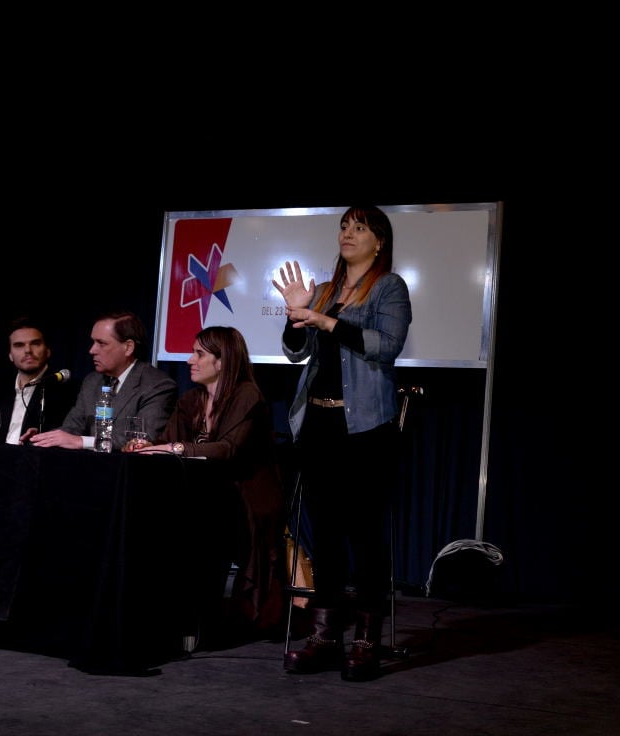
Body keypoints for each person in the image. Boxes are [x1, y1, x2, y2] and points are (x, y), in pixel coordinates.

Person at [271, 204, 412, 681]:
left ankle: (367, 639)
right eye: (344, 226)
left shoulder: (389, 287)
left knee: (365, 536)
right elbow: (296, 354)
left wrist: (326, 321)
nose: (348, 233)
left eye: (360, 227)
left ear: (379, 241)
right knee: (326, 534)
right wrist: (296, 316)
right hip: (318, 424)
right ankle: (326, 635)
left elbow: (387, 345)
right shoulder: (327, 291)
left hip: (366, 429)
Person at [128, 325, 288, 636]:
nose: (190, 360)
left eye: (199, 354)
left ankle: (204, 615)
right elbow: (167, 441)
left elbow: (227, 449)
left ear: (222, 360)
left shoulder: (247, 395)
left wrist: (175, 448)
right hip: (207, 493)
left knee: (202, 520)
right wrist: (147, 447)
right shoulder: (191, 400)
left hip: (247, 496)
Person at [29, 310, 176, 451]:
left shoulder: (157, 385)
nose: (92, 350)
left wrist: (82, 442)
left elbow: (142, 439)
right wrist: (42, 438)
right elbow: (72, 428)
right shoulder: (92, 381)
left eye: (101, 343)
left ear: (128, 347)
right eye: (93, 342)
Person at [0, 315, 77, 444]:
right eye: (19, 345)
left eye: (35, 344)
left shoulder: (67, 391)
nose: (28, 350)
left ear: (48, 351)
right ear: (10, 355)